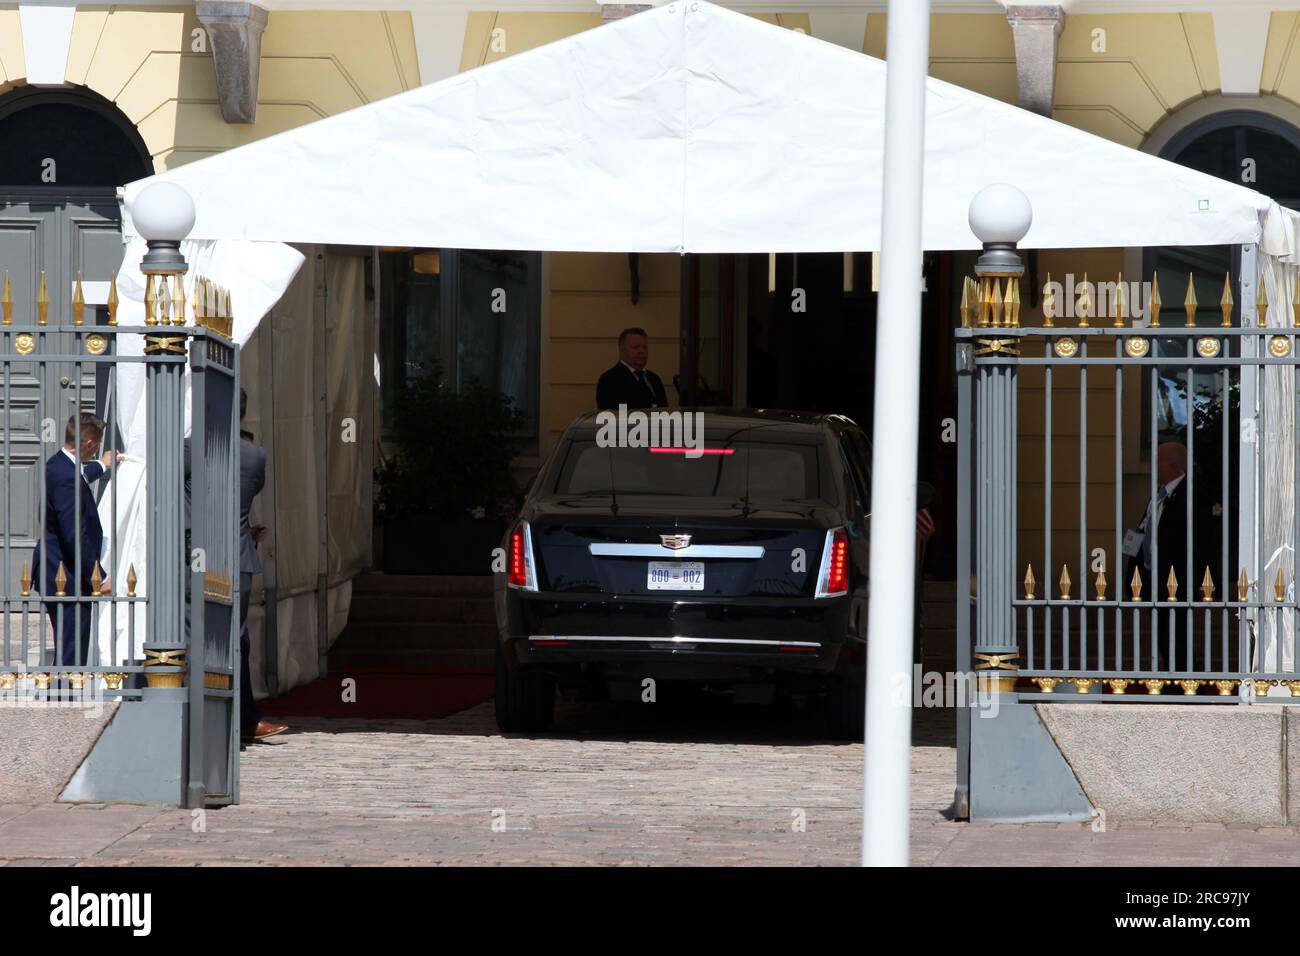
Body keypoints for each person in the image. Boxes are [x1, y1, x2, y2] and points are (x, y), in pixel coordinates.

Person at [32, 413, 118, 667]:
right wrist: (98, 576)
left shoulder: (59, 465)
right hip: (65, 574)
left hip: (59, 570)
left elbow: (80, 475)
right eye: (96, 447)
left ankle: (63, 697)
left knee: (70, 647)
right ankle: (62, 702)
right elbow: (73, 534)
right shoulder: (66, 476)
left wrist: (101, 466)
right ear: (89, 444)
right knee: (72, 653)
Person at [1125, 441, 1205, 672]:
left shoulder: (1190, 494)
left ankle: (1187, 682)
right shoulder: (1159, 496)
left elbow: (1199, 542)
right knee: (1164, 635)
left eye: (1157, 461)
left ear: (1172, 466)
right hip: (1155, 579)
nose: (1153, 467)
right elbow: (1142, 534)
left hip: (1176, 580)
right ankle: (1175, 679)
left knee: (1177, 635)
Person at [237, 389, 287, 743]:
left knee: (232, 641)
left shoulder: (189, 448)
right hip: (234, 557)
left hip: (201, 553)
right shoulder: (253, 456)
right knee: (236, 641)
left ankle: (239, 718)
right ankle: (242, 719)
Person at [595, 327, 668, 410]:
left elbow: (664, 410)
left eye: (644, 347)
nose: (641, 351)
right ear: (622, 350)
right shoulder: (609, 380)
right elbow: (611, 415)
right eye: (636, 347)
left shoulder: (654, 379)